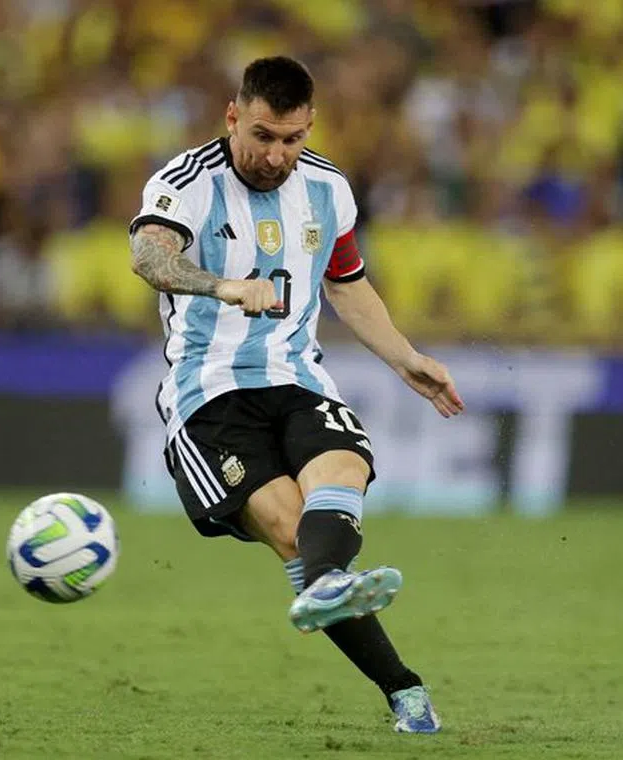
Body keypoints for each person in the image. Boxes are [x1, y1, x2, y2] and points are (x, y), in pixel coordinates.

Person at [127, 56, 464, 734]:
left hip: (298, 378)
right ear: (232, 117)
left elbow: (344, 283)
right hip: (209, 396)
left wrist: (405, 358)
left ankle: (329, 582)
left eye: (293, 139)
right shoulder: (185, 181)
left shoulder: (328, 188)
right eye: (263, 136)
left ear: (310, 127)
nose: (276, 155)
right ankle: (404, 689)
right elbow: (149, 257)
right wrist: (222, 285)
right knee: (292, 533)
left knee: (346, 468)